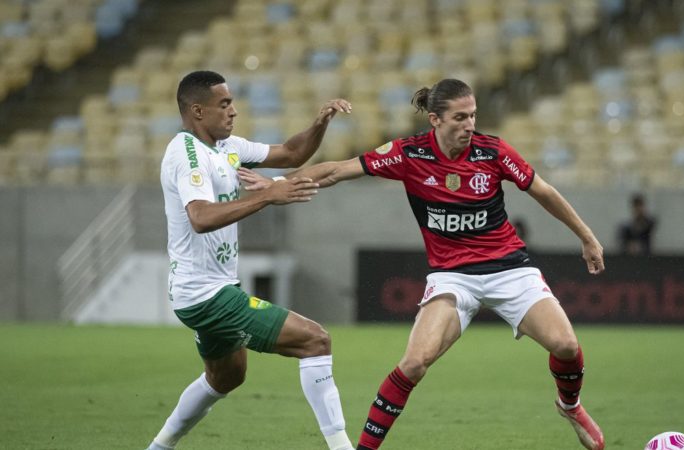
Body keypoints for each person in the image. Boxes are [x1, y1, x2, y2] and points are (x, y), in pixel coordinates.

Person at [239, 78, 606, 450]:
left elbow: (542, 190)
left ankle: (569, 405)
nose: (470, 125)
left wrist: (587, 237)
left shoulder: (492, 151)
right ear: (435, 119)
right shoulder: (409, 153)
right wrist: (278, 184)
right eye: (460, 118)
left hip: (509, 268)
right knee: (414, 363)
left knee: (565, 345)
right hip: (452, 278)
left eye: (473, 116)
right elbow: (336, 170)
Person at [147, 70, 356, 450]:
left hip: (211, 288)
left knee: (226, 377)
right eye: (224, 104)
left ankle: (158, 448)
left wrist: (319, 123)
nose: (234, 111)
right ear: (197, 111)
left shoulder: (226, 147)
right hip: (204, 294)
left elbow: (291, 153)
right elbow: (200, 217)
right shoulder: (187, 154)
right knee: (315, 340)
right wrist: (268, 196)